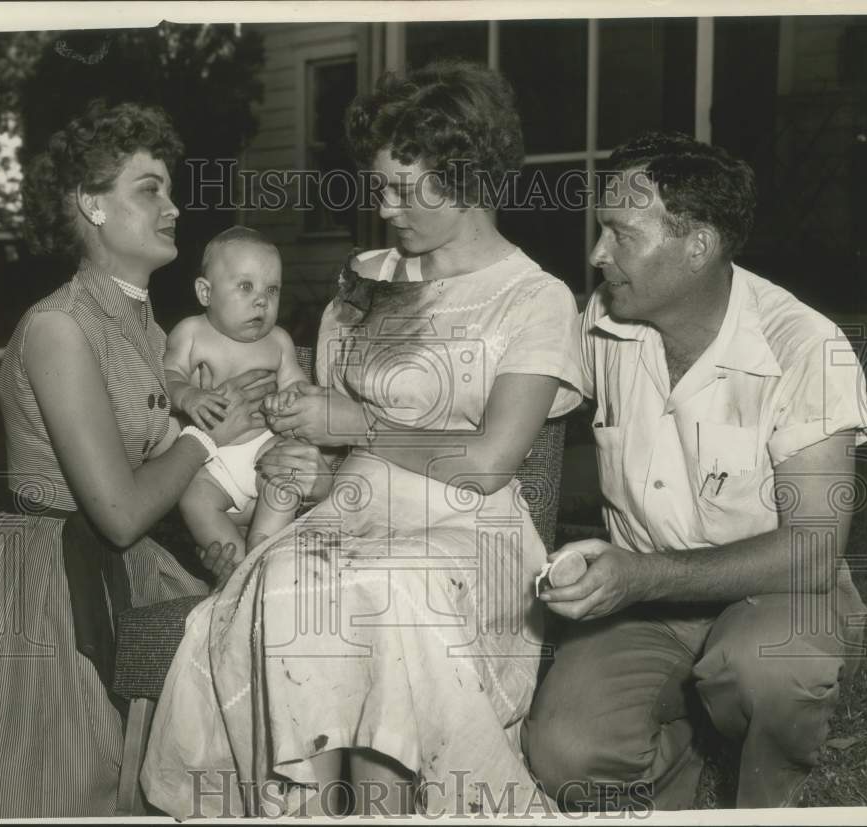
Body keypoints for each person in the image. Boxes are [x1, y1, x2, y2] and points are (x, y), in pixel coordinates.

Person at [141, 60, 583, 817]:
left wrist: (358, 426)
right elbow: (323, 419)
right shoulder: (364, 275)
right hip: (347, 510)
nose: (385, 205)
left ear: (471, 178)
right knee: (287, 590)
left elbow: (488, 462)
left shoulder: (534, 297)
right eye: (380, 184)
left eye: (407, 189)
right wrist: (301, 451)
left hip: (465, 527)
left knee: (389, 595)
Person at [0, 101, 278, 817]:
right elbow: (117, 512)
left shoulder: (145, 321)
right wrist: (207, 436)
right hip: (43, 588)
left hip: (129, 564)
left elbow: (163, 479)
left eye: (170, 188)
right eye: (149, 188)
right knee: (76, 789)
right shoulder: (59, 327)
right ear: (90, 203)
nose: (173, 205)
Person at [524, 131, 867, 810]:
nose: (597, 254)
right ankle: (678, 759)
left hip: (777, 592)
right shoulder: (603, 321)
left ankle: (767, 795)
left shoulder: (806, 346)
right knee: (565, 751)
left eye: (620, 233)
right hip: (649, 601)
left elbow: (813, 549)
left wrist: (640, 576)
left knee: (770, 674)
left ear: (698, 245)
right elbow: (519, 406)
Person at [165, 226, 307, 583]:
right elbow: (165, 376)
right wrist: (188, 395)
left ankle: (263, 546)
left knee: (286, 471)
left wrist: (292, 397)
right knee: (194, 499)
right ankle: (238, 568)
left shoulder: (279, 341)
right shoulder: (191, 333)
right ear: (205, 292)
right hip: (212, 461)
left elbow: (298, 386)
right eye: (246, 286)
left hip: (264, 448)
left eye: (271, 289)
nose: (261, 300)